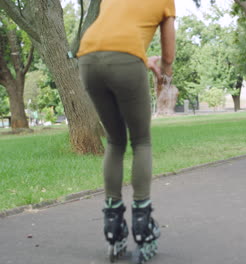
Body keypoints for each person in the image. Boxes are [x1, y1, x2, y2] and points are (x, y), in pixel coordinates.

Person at [76, 0, 175, 262]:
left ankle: (113, 224)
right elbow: (168, 56)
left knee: (114, 141)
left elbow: (112, 37)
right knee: (141, 140)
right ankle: (142, 223)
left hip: (87, 56)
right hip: (125, 58)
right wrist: (164, 77)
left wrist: (141, 60)